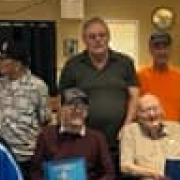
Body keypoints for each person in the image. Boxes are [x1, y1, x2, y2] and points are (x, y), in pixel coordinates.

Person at [27, 88, 114, 180]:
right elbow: (35, 170)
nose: (77, 111)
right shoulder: (46, 135)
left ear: (87, 112)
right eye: (72, 106)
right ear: (60, 110)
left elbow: (109, 172)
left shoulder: (97, 138)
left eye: (82, 107)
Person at [58, 16, 139, 153]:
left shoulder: (125, 62)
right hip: (83, 139)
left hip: (120, 139)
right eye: (92, 36)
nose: (98, 40)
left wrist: (127, 127)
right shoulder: (73, 65)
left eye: (102, 35)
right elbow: (64, 102)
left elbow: (134, 97)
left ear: (109, 37)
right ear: (84, 40)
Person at [0, 40, 50, 180]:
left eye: (3, 58)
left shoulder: (38, 87)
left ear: (18, 64)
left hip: (26, 158)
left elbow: (45, 121)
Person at [137, 30, 180, 148]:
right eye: (157, 47)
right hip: (149, 139)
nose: (162, 52)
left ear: (170, 50)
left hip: (176, 139)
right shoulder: (140, 76)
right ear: (150, 50)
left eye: (165, 47)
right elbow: (135, 112)